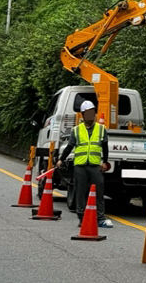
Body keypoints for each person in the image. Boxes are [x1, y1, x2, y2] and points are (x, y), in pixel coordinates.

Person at [56, 98, 113, 229]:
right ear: (82, 115)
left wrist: (105, 162)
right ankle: (81, 218)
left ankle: (100, 218)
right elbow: (70, 146)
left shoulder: (101, 129)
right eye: (87, 113)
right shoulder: (76, 130)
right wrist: (61, 159)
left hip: (95, 166)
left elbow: (105, 147)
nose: (90, 115)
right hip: (80, 166)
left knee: (99, 191)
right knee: (80, 192)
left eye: (92, 112)